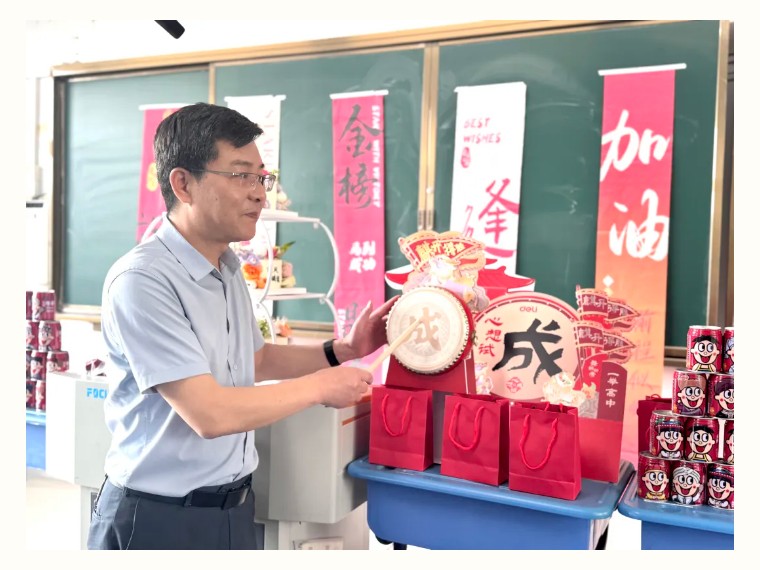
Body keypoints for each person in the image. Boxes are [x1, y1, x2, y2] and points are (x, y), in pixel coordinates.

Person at [87, 102, 397, 550]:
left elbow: (257, 358)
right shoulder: (143, 280)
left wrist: (343, 351)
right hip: (156, 517)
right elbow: (209, 413)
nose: (260, 195)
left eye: (261, 178)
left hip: (233, 510)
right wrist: (319, 387)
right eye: (240, 175)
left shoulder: (226, 267)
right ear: (183, 184)